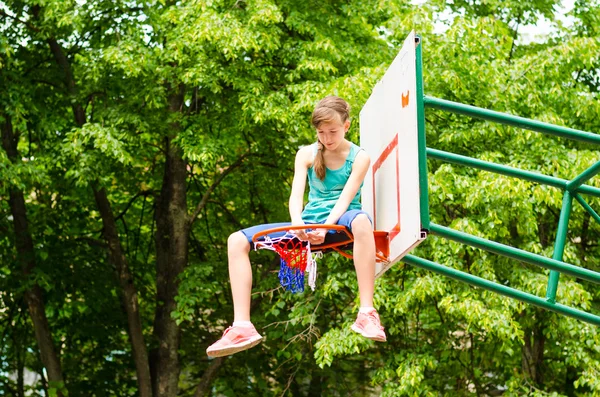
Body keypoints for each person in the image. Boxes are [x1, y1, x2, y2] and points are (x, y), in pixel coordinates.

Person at [206, 96, 386, 358]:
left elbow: (346, 199)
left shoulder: (360, 157)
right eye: (321, 132)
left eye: (333, 131)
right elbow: (295, 196)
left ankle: (366, 312)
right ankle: (242, 325)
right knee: (236, 240)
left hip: (341, 221)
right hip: (308, 223)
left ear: (346, 126)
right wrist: (297, 224)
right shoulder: (306, 154)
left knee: (361, 220)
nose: (326, 137)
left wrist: (325, 228)